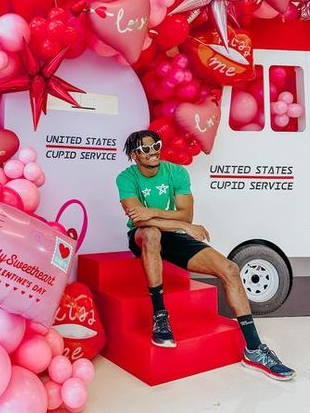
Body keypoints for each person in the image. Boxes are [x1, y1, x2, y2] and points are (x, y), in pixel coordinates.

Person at [116, 129, 295, 381]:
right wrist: (181, 225)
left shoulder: (176, 172)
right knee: (152, 233)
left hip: (173, 235)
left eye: (155, 145)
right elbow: (139, 218)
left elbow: (185, 215)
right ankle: (160, 316)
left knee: (230, 269)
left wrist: (162, 216)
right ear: (135, 155)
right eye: (145, 149)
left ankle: (254, 349)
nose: (153, 151)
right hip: (142, 236)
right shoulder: (126, 178)